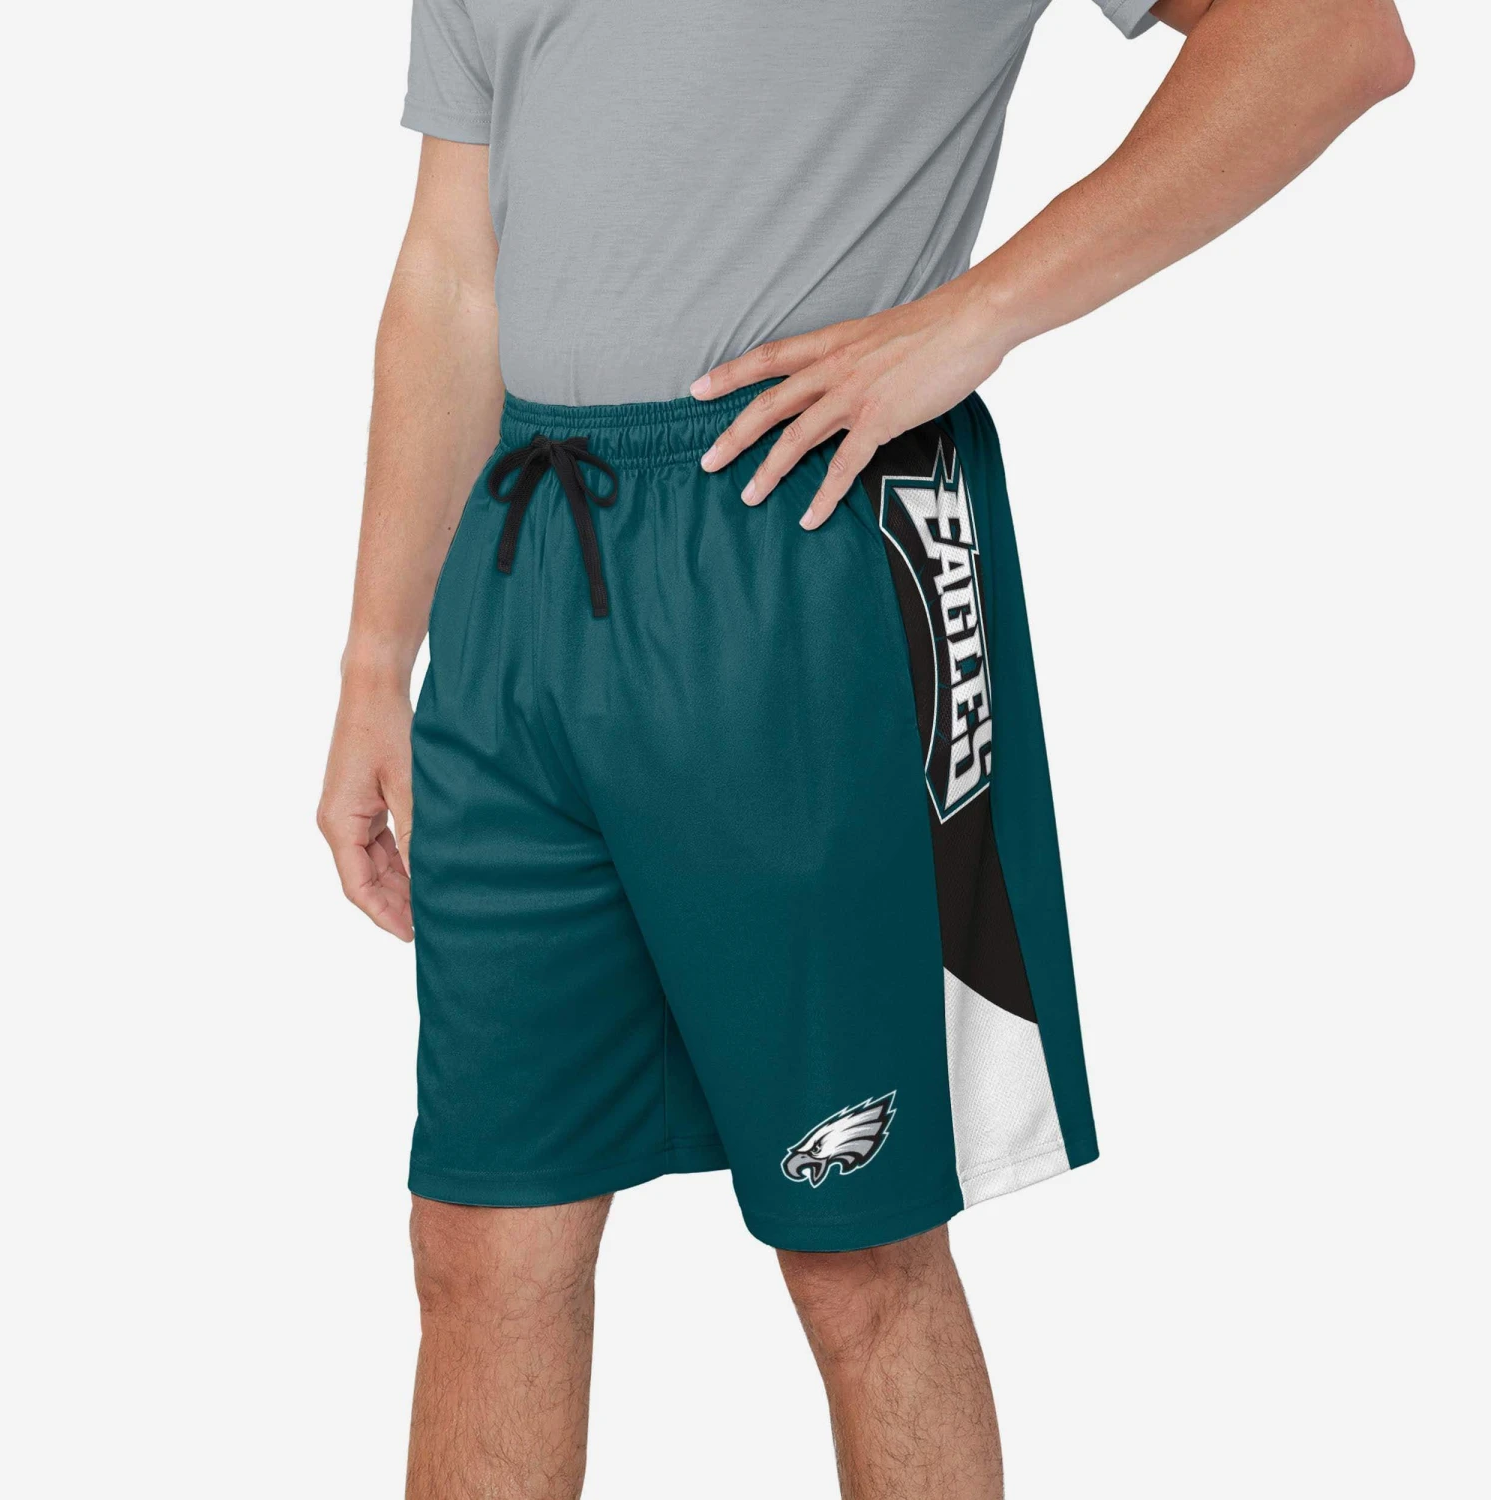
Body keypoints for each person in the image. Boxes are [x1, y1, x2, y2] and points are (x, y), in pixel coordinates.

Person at [318, 0, 1411, 1493]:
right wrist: (375, 661)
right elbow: (453, 269)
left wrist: (980, 315)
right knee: (479, 1237)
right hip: (523, 568)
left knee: (858, 1247)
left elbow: (1332, 34)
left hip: (811, 536)